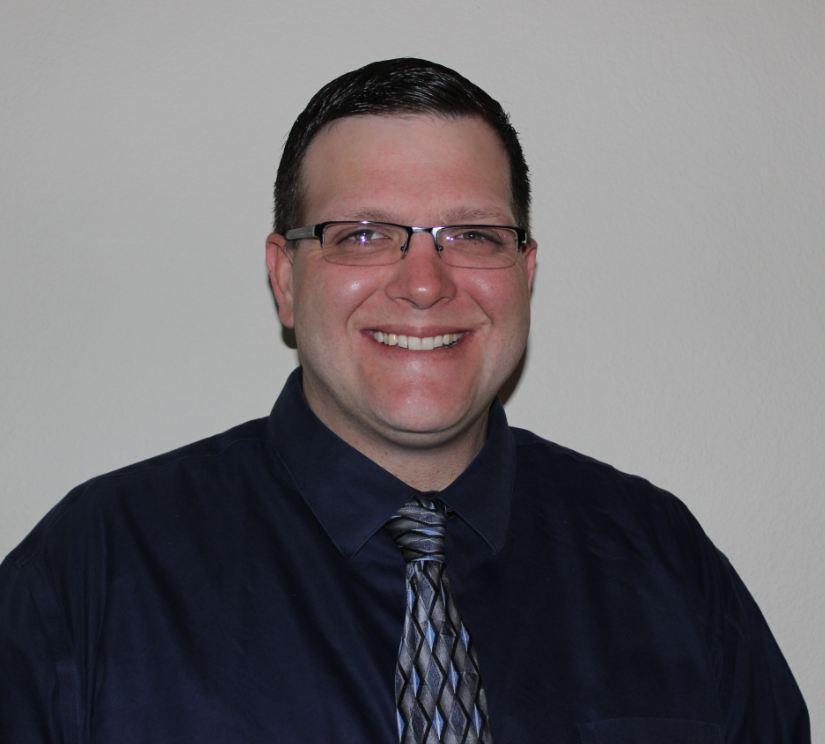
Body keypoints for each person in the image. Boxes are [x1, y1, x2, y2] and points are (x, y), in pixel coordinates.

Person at [0, 58, 809, 744]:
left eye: (473, 235)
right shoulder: (89, 575)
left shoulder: (663, 564)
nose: (423, 283)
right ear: (286, 279)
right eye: (361, 234)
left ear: (525, 274)